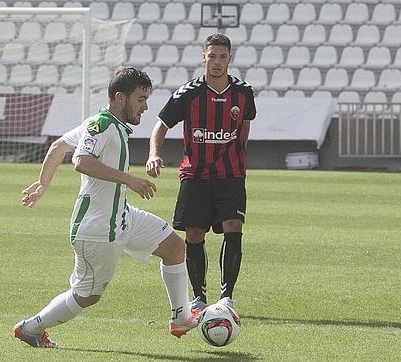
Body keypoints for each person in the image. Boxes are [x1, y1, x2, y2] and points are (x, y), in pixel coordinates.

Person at [14, 67, 200, 349]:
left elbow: (58, 146)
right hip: (98, 229)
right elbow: (81, 161)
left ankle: (181, 318)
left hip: (122, 217)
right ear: (120, 97)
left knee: (174, 247)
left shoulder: (107, 125)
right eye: (140, 99)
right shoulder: (99, 125)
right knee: (87, 296)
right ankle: (30, 328)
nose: (145, 106)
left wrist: (42, 184)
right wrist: (130, 179)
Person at [146, 34, 257, 311]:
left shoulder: (244, 93)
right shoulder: (188, 93)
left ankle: (227, 296)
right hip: (195, 175)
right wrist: (154, 154)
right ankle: (199, 296)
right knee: (194, 233)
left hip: (230, 174)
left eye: (222, 56)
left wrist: (237, 154)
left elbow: (244, 125)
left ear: (230, 57)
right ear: (203, 56)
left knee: (234, 227)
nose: (217, 62)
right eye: (212, 56)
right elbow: (160, 126)